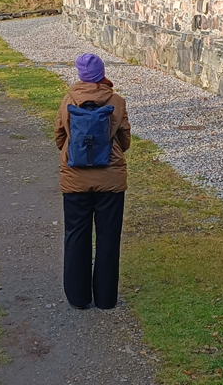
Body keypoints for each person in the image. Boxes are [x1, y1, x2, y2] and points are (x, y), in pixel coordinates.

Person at [55, 53, 131, 310]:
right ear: (102, 73)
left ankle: (78, 297)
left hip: (75, 179)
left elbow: (59, 137)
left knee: (76, 235)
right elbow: (125, 141)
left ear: (80, 74)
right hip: (110, 179)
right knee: (109, 237)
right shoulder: (117, 102)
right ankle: (106, 298)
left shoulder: (68, 101)